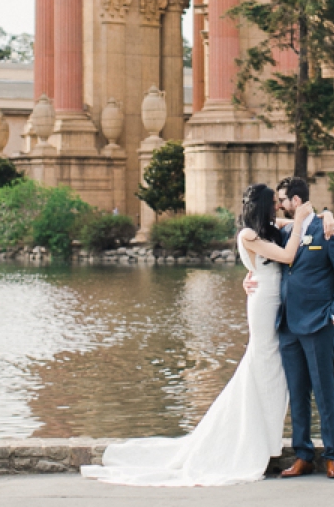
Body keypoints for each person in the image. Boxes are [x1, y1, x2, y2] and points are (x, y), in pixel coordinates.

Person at [80, 184, 314, 486]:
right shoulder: (248, 235)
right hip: (263, 305)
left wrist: (320, 216)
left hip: (274, 300)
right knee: (263, 365)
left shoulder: (269, 229)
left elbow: (304, 224)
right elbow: (287, 254)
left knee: (270, 371)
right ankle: (252, 440)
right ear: (261, 206)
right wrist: (298, 222)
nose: (278, 207)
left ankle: (265, 439)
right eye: (273, 203)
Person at [264, 176, 334, 479]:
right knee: (297, 392)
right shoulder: (286, 231)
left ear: (297, 201)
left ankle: (333, 455)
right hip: (288, 324)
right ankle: (302, 455)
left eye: (283, 199)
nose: (279, 204)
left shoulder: (327, 230)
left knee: (324, 390)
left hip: (319, 323)